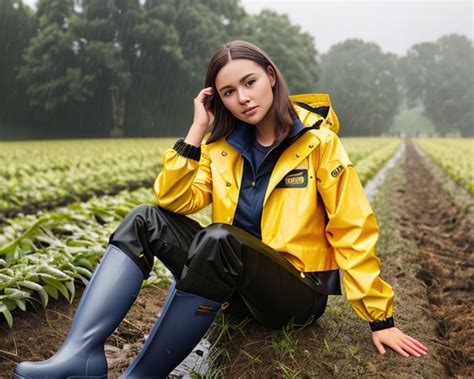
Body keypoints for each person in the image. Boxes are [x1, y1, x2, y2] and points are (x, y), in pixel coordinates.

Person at [14, 40, 428, 379]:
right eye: (229, 92)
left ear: (270, 75)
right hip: (234, 280)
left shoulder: (319, 143)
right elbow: (174, 202)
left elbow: (352, 226)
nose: (242, 98)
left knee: (220, 239)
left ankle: (140, 377)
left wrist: (381, 320)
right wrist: (197, 131)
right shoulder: (221, 148)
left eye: (249, 82)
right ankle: (82, 354)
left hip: (297, 290)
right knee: (144, 219)